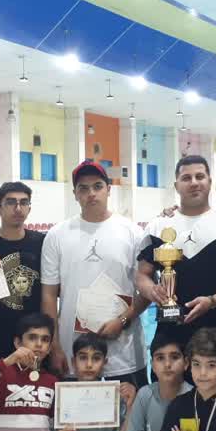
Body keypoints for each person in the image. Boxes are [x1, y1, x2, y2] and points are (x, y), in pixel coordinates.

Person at [41, 161, 148, 387]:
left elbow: (148, 290)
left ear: (109, 189)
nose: (91, 193)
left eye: (97, 186)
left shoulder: (133, 233)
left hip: (125, 354)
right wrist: (55, 346)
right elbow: (49, 295)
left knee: (128, 411)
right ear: (75, 194)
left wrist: (122, 320)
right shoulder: (57, 235)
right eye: (83, 188)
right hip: (74, 356)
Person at [137, 155, 216, 351]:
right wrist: (152, 290)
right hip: (171, 332)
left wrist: (212, 301)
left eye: (200, 176)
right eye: (186, 178)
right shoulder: (157, 226)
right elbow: (141, 275)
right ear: (176, 186)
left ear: (210, 182)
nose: (194, 183)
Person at [0, 182, 53, 365]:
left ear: (29, 208)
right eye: (11, 202)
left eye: (24, 202)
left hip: (38, 342)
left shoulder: (43, 243)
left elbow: (54, 290)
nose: (18, 208)